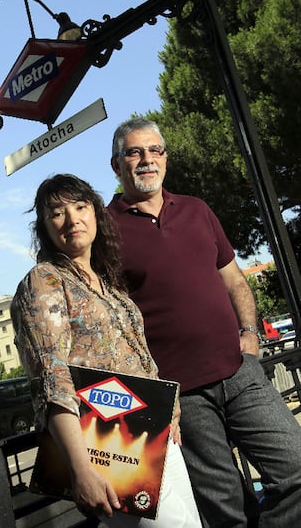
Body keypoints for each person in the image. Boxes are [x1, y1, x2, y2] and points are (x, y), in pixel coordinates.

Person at [108, 117, 301, 527]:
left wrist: (250, 335)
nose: (147, 160)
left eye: (155, 150)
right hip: (181, 396)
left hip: (240, 372)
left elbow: (234, 280)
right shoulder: (105, 231)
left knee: (296, 469)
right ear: (116, 165)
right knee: (226, 510)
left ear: (165, 158)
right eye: (134, 152)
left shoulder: (197, 209)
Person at [10, 174, 202, 527]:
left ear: (96, 213)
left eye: (81, 207)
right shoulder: (45, 280)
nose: (72, 220)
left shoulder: (107, 282)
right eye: (57, 212)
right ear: (44, 226)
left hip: (152, 432)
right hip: (107, 445)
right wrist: (80, 469)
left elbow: (138, 354)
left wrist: (170, 411)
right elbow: (53, 380)